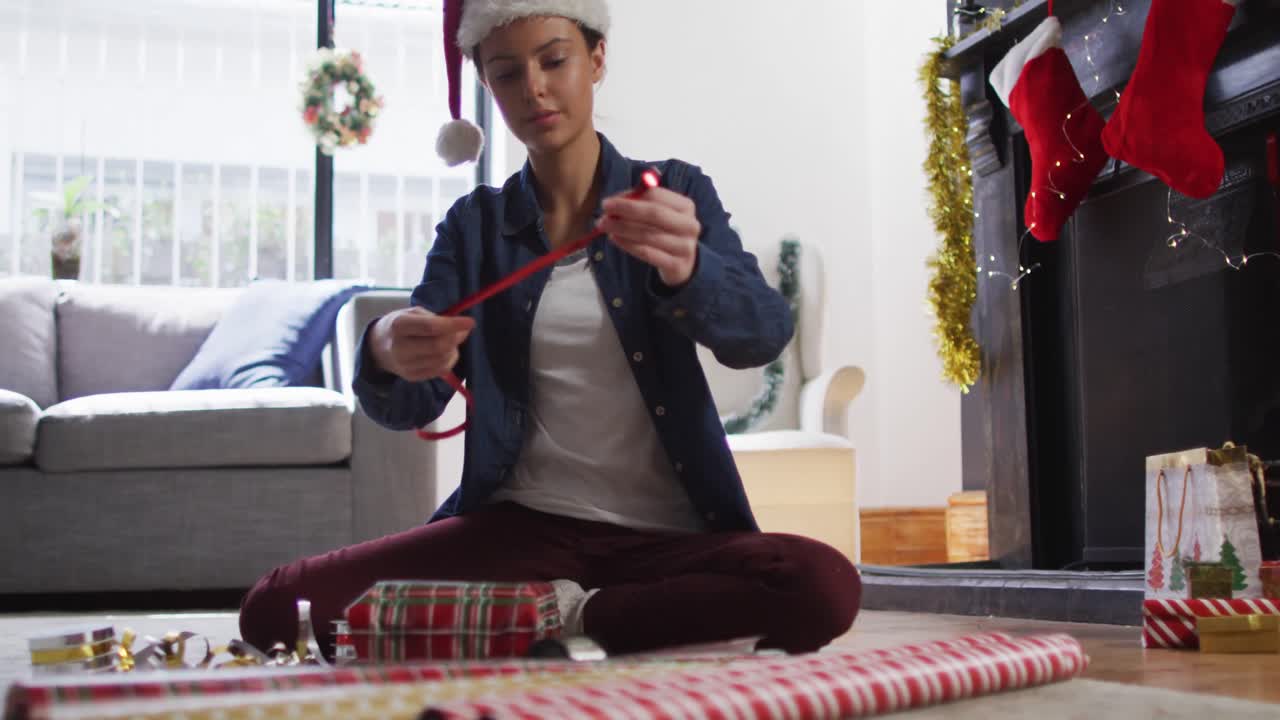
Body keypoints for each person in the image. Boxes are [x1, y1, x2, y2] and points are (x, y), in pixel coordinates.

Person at [238, 0, 860, 658]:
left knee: (822, 587)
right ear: (486, 85)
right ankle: (583, 620)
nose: (533, 87)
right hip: (515, 534)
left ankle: (562, 617)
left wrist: (691, 272)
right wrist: (388, 347)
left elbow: (761, 336)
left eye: (554, 60)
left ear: (596, 59)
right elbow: (411, 404)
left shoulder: (676, 190)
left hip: (671, 540)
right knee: (280, 609)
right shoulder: (474, 226)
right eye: (507, 73)